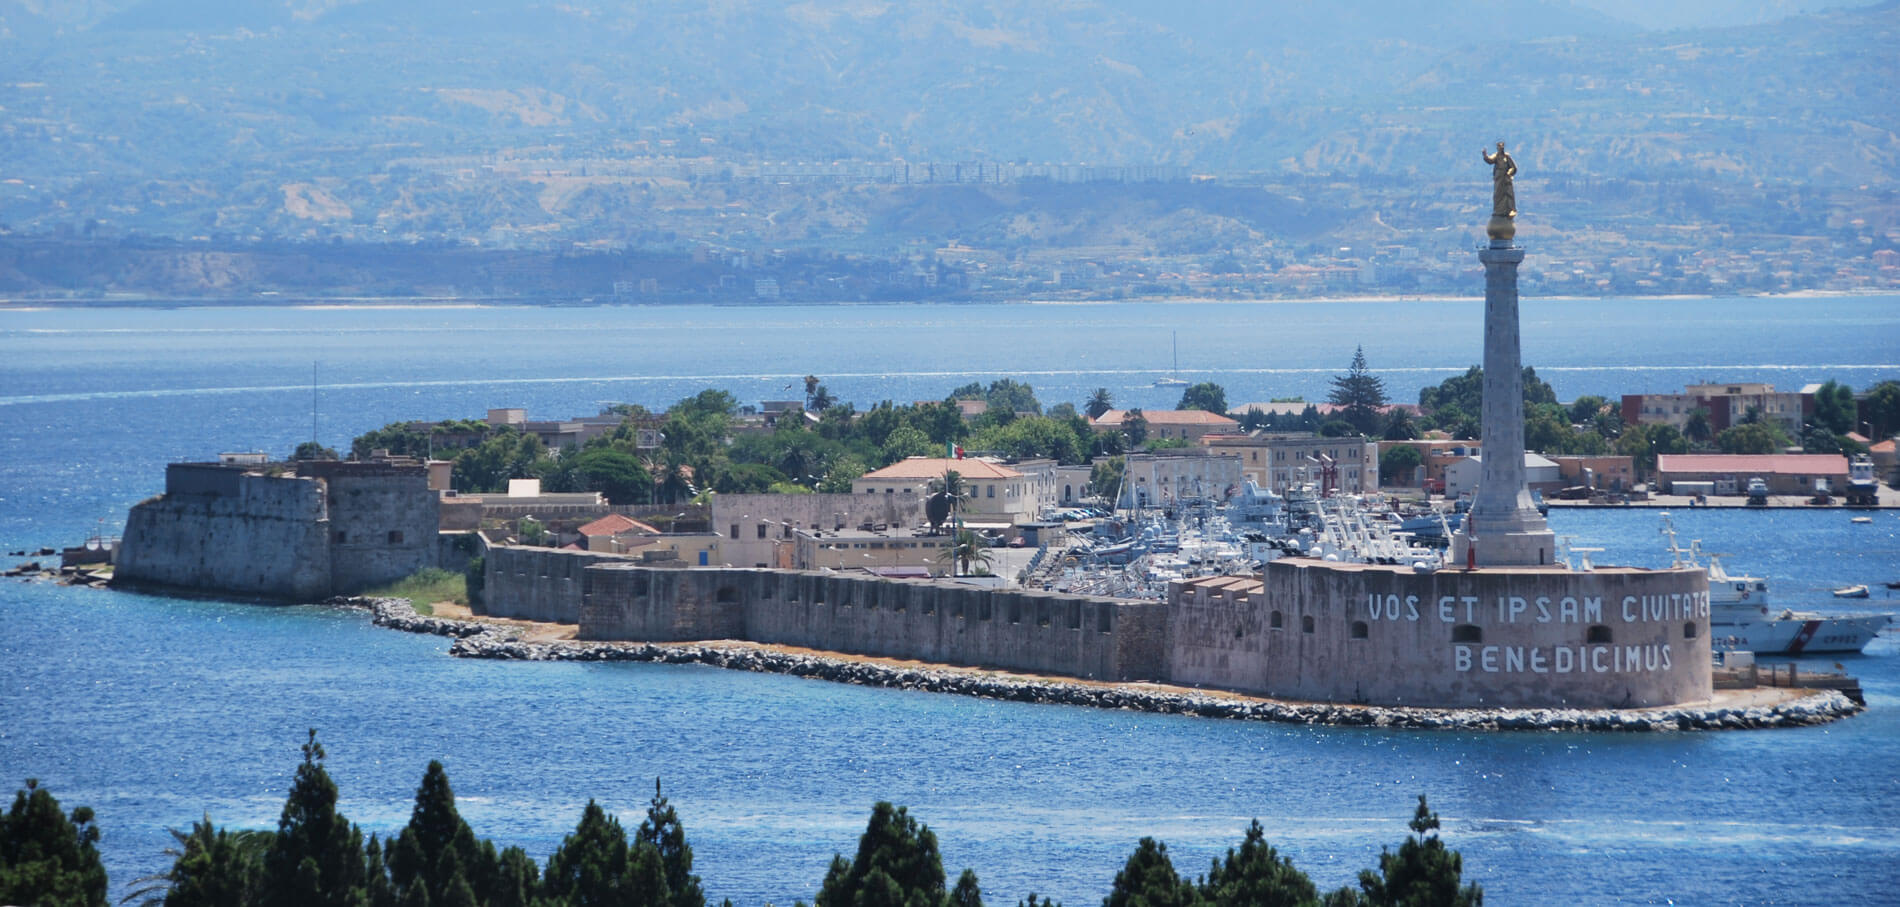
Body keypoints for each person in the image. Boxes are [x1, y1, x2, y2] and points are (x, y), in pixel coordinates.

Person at [1482, 141, 1516, 218]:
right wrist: (1485, 155)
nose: (1501, 148)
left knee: (1508, 193)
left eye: (1502, 147)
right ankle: (1498, 210)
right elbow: (1490, 160)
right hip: (1499, 178)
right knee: (1498, 194)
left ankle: (1511, 209)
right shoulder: (1496, 156)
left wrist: (1509, 172)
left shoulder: (1506, 157)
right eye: (1499, 147)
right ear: (1497, 148)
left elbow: (1513, 167)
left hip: (1506, 178)